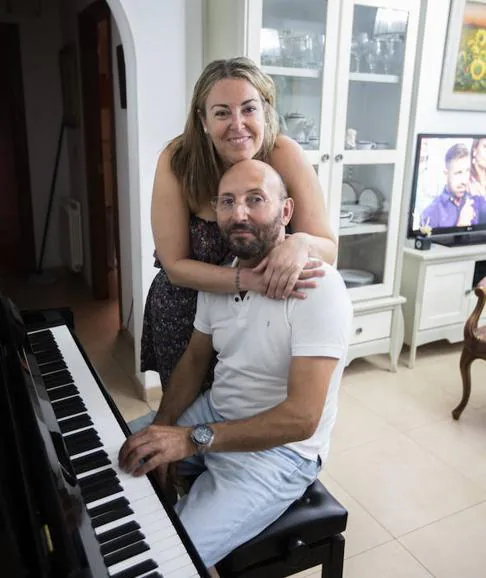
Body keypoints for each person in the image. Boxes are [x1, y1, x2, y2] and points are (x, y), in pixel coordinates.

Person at [119, 159, 352, 568]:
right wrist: (165, 426)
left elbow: (302, 419)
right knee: (107, 459)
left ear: (286, 211)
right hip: (216, 413)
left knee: (163, 560)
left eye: (255, 199)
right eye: (227, 201)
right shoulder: (223, 278)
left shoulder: (318, 287)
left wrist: (190, 440)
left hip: (280, 455)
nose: (238, 212)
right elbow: (194, 358)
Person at [140, 56, 337, 400]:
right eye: (221, 113)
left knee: (254, 418)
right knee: (187, 420)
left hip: (264, 316)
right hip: (187, 313)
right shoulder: (178, 160)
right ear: (202, 119)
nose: (238, 124)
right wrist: (250, 280)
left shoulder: (285, 155)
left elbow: (329, 249)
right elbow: (174, 266)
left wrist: (301, 243)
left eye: (248, 109)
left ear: (266, 111)